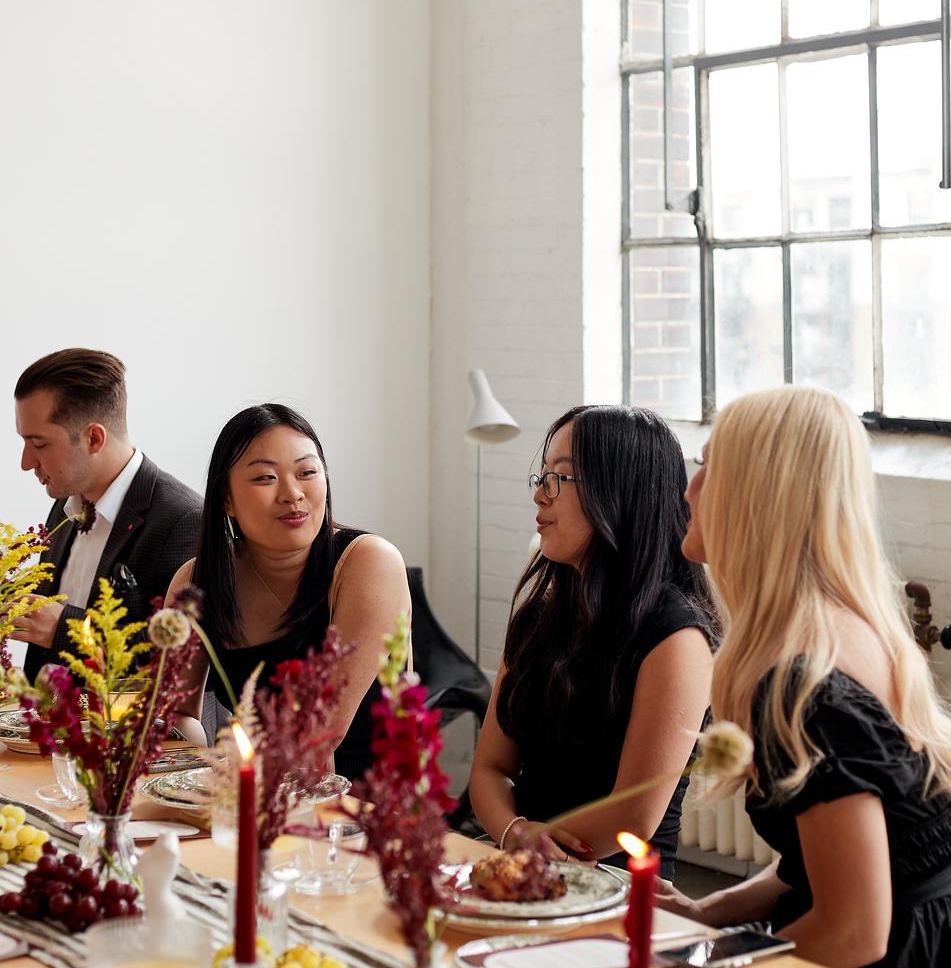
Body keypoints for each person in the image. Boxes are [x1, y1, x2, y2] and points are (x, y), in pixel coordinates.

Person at [658, 386, 951, 968]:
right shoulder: (850, 629)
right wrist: (708, 912)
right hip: (928, 950)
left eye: (706, 467)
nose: (689, 489)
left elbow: (855, 928)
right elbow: (824, 863)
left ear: (755, 497)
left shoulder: (801, 685)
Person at [469, 405, 718, 879]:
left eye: (560, 479)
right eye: (542, 477)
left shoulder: (677, 635)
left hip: (616, 881)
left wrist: (534, 843)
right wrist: (514, 832)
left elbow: (634, 816)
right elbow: (489, 769)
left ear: (618, 492)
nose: (540, 496)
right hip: (522, 860)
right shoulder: (537, 618)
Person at [166, 404, 410, 780]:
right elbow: (176, 712)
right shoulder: (196, 583)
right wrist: (197, 767)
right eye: (265, 478)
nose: (293, 493)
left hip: (368, 809)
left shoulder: (369, 562)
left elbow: (318, 736)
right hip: (257, 792)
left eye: (307, 472)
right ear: (225, 499)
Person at [11, 348, 202, 681]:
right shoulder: (62, 506)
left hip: (140, 732)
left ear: (94, 438)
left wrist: (65, 630)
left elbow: (186, 661)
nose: (26, 462)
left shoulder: (185, 520)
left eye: (39, 444)